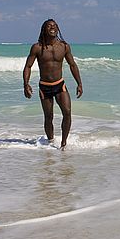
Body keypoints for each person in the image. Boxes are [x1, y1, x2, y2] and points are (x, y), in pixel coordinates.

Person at [23, 18, 83, 149]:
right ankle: (50, 142)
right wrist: (26, 84)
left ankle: (63, 143)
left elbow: (72, 65)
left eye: (55, 26)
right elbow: (28, 66)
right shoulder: (37, 48)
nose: (52, 27)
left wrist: (79, 83)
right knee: (48, 116)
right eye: (49, 26)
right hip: (45, 87)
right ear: (44, 29)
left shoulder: (64, 46)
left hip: (59, 85)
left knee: (67, 112)